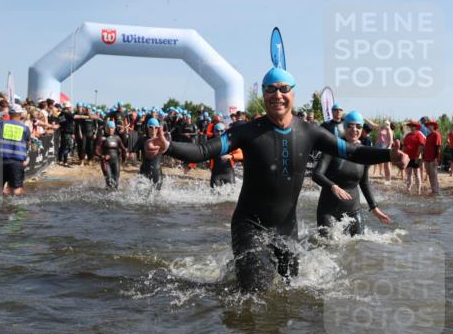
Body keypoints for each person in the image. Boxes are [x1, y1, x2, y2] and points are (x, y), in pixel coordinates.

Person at [146, 65, 406, 293]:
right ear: (263, 95)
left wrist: (388, 155)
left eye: (283, 89)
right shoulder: (247, 131)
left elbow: (353, 151)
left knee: (290, 291)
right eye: (270, 89)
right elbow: (205, 150)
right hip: (250, 226)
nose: (277, 95)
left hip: (287, 228)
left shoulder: (310, 131)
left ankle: (232, 276)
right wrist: (169, 147)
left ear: (293, 93)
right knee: (255, 295)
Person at [312, 110, 392, 237]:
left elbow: (364, 182)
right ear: (344, 126)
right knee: (326, 246)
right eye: (350, 125)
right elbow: (316, 174)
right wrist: (333, 186)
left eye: (358, 126)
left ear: (362, 129)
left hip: (353, 211)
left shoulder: (363, 151)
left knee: (359, 244)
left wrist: (374, 208)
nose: (354, 129)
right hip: (328, 210)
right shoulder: (333, 148)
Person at [0, 105, 32, 196]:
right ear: (20, 114)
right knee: (16, 190)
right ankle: (14, 209)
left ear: (9, 114)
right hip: (17, 162)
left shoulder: (1, 124)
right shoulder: (25, 128)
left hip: (1, 161)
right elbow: (28, 144)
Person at [96, 120, 126, 189]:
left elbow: (123, 149)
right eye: (108, 128)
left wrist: (124, 159)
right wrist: (102, 156)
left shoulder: (117, 138)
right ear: (106, 128)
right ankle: (106, 198)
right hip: (106, 162)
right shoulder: (102, 138)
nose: (110, 129)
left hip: (116, 161)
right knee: (109, 182)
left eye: (112, 128)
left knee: (116, 183)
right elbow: (96, 150)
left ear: (114, 129)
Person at [209, 122, 241, 188]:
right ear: (214, 132)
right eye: (217, 131)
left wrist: (231, 156)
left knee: (231, 194)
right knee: (214, 194)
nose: (219, 133)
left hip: (228, 173)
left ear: (225, 131)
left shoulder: (230, 143)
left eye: (221, 131)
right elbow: (200, 154)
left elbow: (241, 154)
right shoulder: (210, 144)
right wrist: (190, 166)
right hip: (216, 174)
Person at [402, 120, 426, 194]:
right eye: (411, 126)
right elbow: (404, 146)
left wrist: (417, 156)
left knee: (416, 173)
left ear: (416, 127)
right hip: (408, 157)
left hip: (416, 157)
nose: (412, 128)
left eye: (413, 126)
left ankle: (418, 189)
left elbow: (421, 146)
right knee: (409, 173)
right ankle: (408, 188)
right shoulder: (408, 135)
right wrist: (403, 155)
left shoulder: (419, 135)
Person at [422, 119, 442, 195]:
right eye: (428, 125)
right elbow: (426, 147)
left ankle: (436, 190)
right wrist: (424, 158)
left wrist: (437, 159)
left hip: (433, 159)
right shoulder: (428, 135)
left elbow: (438, 148)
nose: (429, 126)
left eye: (431, 125)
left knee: (434, 175)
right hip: (427, 158)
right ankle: (433, 189)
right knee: (430, 174)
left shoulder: (436, 134)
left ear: (434, 126)